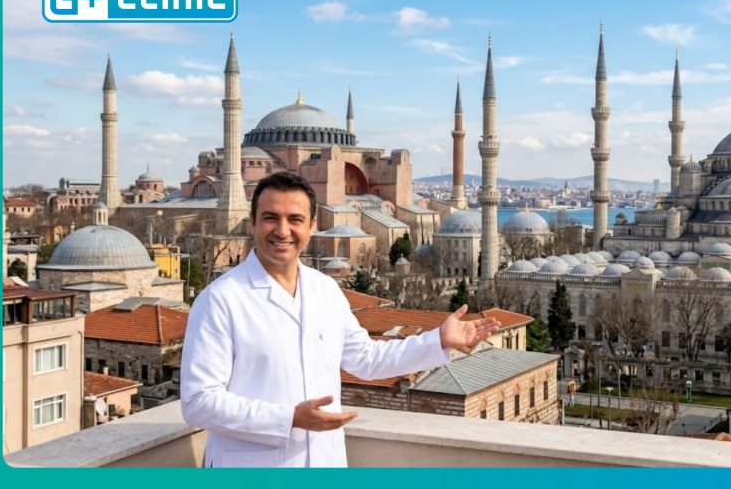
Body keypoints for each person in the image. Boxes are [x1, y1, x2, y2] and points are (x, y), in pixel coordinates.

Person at [180, 172, 500, 467]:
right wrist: (288, 418)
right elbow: (198, 401)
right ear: (252, 223)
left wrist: (438, 340)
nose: (282, 230)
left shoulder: (324, 290)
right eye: (270, 218)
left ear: (312, 225)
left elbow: (366, 359)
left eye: (295, 219)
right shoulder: (220, 300)